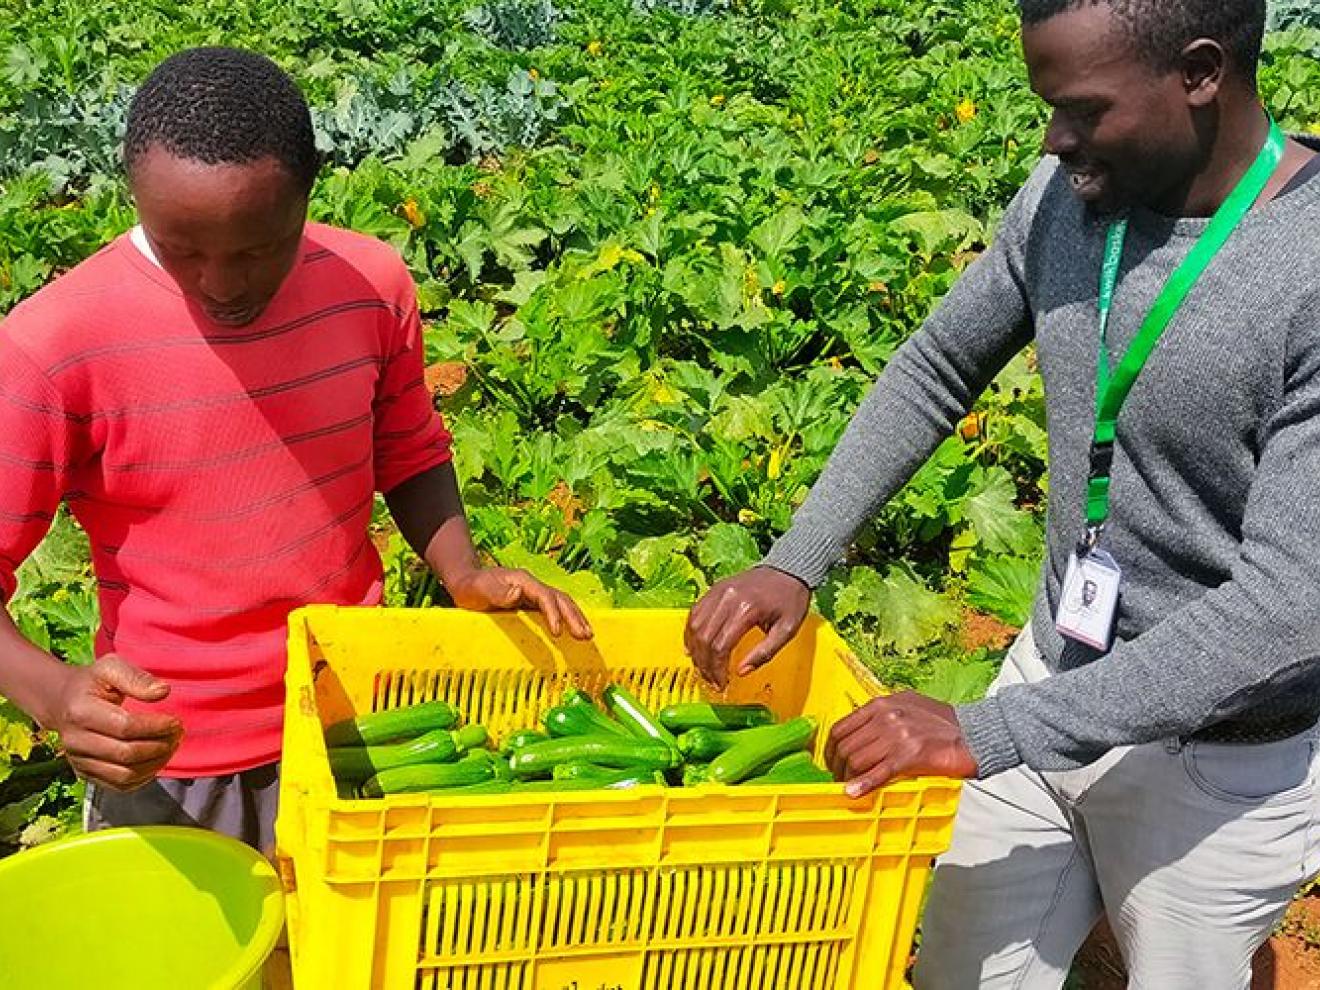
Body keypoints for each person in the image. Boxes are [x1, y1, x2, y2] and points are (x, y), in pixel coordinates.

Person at [685, 0, 1320, 985]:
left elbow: (1286, 611)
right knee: (960, 970)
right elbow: (938, 365)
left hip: (1218, 762)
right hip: (1054, 669)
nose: (1053, 139)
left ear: (1200, 74)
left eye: (1081, 109)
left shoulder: (1309, 270)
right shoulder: (1071, 198)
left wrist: (987, 731)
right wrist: (796, 558)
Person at [0, 48, 592, 852]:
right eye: (183, 249)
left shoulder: (369, 283)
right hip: (171, 757)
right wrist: (53, 692)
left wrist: (462, 571)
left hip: (353, 716)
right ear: (134, 198)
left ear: (308, 194)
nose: (222, 284)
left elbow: (409, 449)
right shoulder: (53, 346)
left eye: (257, 250)